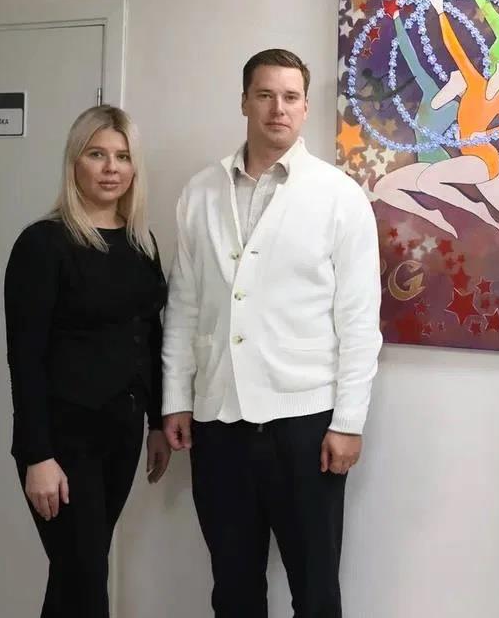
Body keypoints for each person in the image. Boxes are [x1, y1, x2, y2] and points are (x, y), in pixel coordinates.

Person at [160, 48, 383, 618]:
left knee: (315, 590)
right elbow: (184, 305)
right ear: (244, 102)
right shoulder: (200, 192)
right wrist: (176, 398)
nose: (277, 109)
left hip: (306, 425)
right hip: (218, 421)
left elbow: (359, 321)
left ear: (305, 107)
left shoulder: (339, 196)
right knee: (233, 588)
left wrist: (349, 422)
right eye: (264, 95)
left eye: (289, 97)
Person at [4, 105, 171, 617]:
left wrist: (158, 422)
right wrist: (37, 455)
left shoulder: (141, 243)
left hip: (120, 435)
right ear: (74, 162)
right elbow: (25, 357)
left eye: (122, 156)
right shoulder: (43, 244)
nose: (111, 168)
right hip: (62, 441)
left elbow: (149, 335)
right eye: (97, 154)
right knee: (85, 580)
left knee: (77, 575)